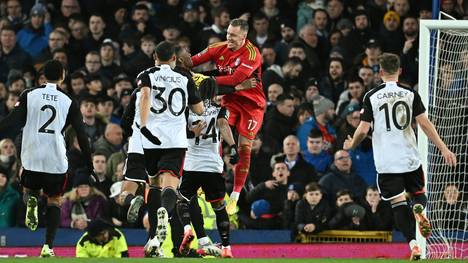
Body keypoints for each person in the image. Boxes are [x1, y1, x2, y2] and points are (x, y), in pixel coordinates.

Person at [344, 53, 457, 260]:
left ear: (380, 72)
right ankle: (419, 208)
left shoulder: (371, 96)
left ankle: (413, 244)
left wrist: (352, 144)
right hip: (410, 158)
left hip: (387, 163)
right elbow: (424, 123)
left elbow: (362, 130)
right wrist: (443, 148)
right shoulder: (409, 93)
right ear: (400, 71)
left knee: (397, 204)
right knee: (417, 194)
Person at [0, 60, 93, 257]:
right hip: (56, 158)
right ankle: (48, 247)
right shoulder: (68, 101)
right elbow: (81, 135)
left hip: (31, 155)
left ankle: (31, 199)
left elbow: (12, 121)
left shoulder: (29, 95)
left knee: (29, 188)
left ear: (42, 76)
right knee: (54, 200)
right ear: (62, 77)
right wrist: (89, 161)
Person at [191, 18, 266, 214]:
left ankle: (235, 196)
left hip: (252, 105)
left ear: (244, 36)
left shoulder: (252, 54)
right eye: (227, 34)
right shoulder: (218, 48)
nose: (229, 38)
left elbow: (235, 79)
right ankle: (205, 178)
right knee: (216, 130)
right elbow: (192, 62)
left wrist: (204, 78)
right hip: (231, 100)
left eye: (233, 35)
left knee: (244, 147)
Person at [138, 41, 204, 257]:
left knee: (154, 184)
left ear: (154, 56)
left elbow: (145, 96)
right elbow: (199, 108)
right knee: (170, 186)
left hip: (151, 139)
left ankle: (154, 235)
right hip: (175, 139)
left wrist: (145, 125)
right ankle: (163, 221)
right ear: (174, 58)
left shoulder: (146, 74)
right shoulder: (185, 77)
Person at [176, 74, 239, 258]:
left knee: (183, 200)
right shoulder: (220, 110)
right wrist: (233, 147)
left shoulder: (188, 110)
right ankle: (226, 247)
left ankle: (188, 229)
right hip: (212, 166)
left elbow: (181, 131)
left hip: (191, 164)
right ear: (215, 93)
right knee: (219, 208)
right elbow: (223, 125)